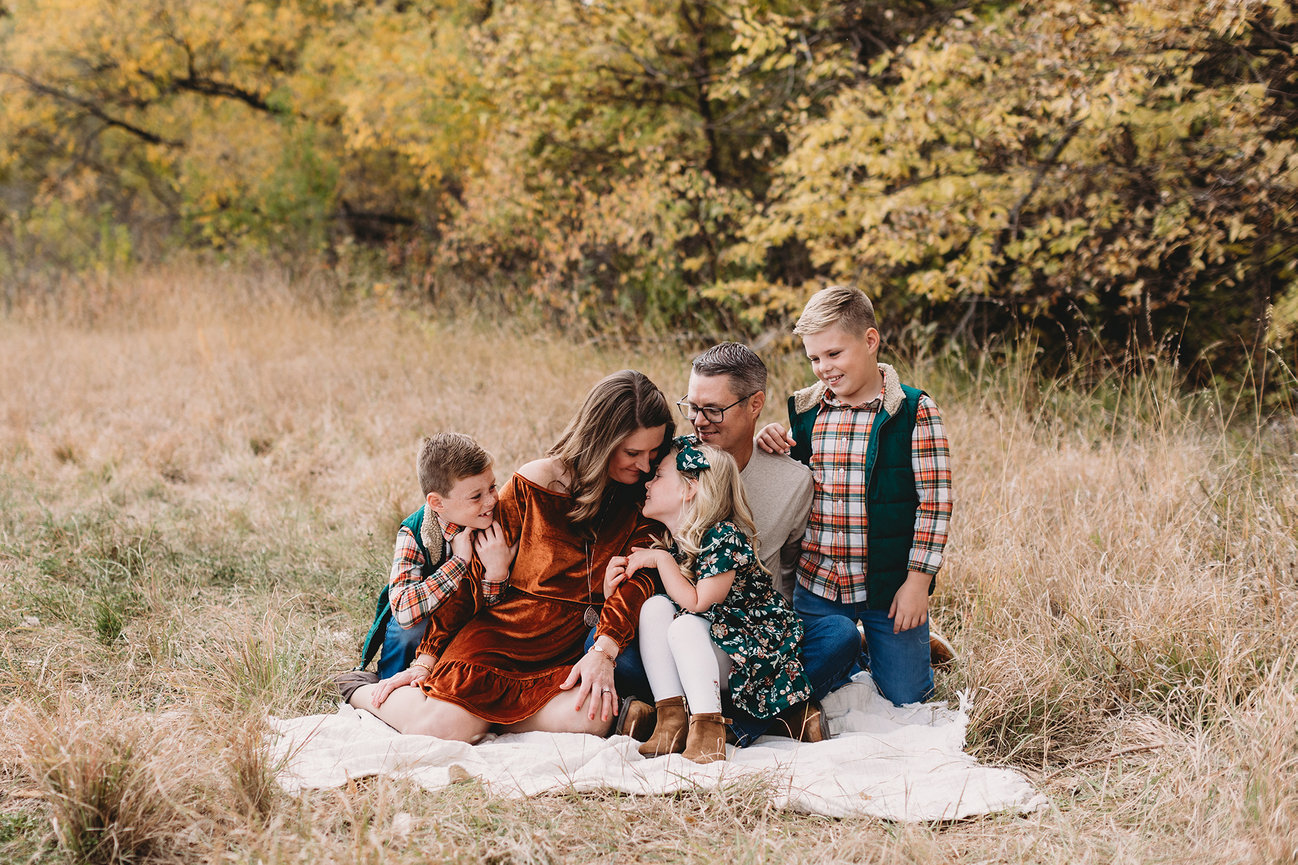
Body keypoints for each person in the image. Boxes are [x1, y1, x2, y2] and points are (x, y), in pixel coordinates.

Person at [344, 370, 674, 741]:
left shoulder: (650, 495)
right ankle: (360, 690)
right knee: (440, 731)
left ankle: (481, 714)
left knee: (593, 718)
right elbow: (473, 577)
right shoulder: (535, 483)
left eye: (653, 452)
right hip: (502, 638)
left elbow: (641, 581)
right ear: (600, 441)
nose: (646, 466)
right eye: (632, 453)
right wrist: (427, 658)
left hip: (561, 649)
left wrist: (603, 650)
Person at [612, 343, 860, 747]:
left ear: (755, 403)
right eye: (691, 407)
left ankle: (720, 724)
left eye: (713, 409)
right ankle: (770, 716)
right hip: (677, 636)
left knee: (840, 636)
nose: (698, 421)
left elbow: (790, 571)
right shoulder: (674, 459)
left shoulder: (793, 482)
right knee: (616, 644)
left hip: (748, 646)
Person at [756, 286, 954, 706]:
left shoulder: (913, 410)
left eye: (834, 354)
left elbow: (935, 504)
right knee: (814, 686)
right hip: (819, 585)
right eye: (814, 358)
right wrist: (770, 438)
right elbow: (792, 475)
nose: (823, 368)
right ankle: (856, 646)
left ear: (869, 341)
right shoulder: (808, 412)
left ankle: (880, 645)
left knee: (907, 699)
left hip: (888, 587)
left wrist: (917, 583)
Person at [608, 437, 811, 763]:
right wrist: (611, 588)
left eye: (658, 475)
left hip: (752, 656)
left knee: (685, 626)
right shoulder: (674, 543)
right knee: (654, 608)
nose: (648, 480)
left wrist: (661, 561)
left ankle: (708, 732)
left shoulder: (723, 536)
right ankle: (671, 722)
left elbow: (699, 602)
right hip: (710, 651)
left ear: (689, 489)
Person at [353, 433, 514, 679]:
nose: (491, 500)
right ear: (437, 503)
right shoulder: (414, 532)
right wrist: (458, 563)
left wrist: (497, 573)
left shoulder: (498, 522)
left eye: (492, 486)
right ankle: (388, 683)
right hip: (422, 629)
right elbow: (405, 611)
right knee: (409, 629)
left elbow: (496, 613)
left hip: (470, 628)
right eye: (476, 496)